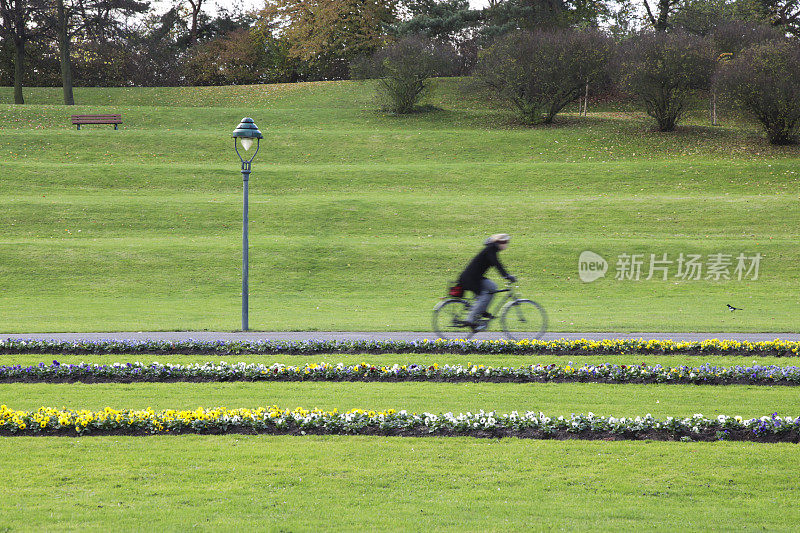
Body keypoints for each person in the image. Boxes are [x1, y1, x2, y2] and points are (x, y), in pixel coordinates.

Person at [457, 233, 517, 330]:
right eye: (505, 242)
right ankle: (470, 319)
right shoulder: (490, 250)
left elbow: (497, 264)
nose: (506, 244)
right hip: (470, 279)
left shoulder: (491, 250)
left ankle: (481, 311)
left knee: (492, 287)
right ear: (499, 242)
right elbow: (497, 264)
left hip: (475, 277)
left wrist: (506, 275)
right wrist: (507, 276)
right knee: (483, 295)